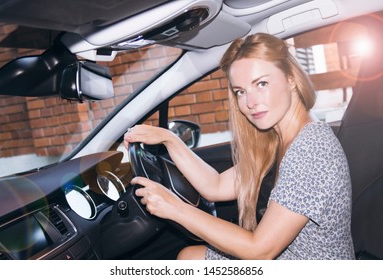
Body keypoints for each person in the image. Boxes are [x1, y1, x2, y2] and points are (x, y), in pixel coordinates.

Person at [123, 33, 355, 260]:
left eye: (261, 83)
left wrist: (175, 208)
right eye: (240, 92)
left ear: (290, 79)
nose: (250, 102)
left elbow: (260, 251)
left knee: (188, 259)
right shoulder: (279, 141)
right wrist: (169, 139)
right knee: (189, 257)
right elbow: (215, 186)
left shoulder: (310, 151)